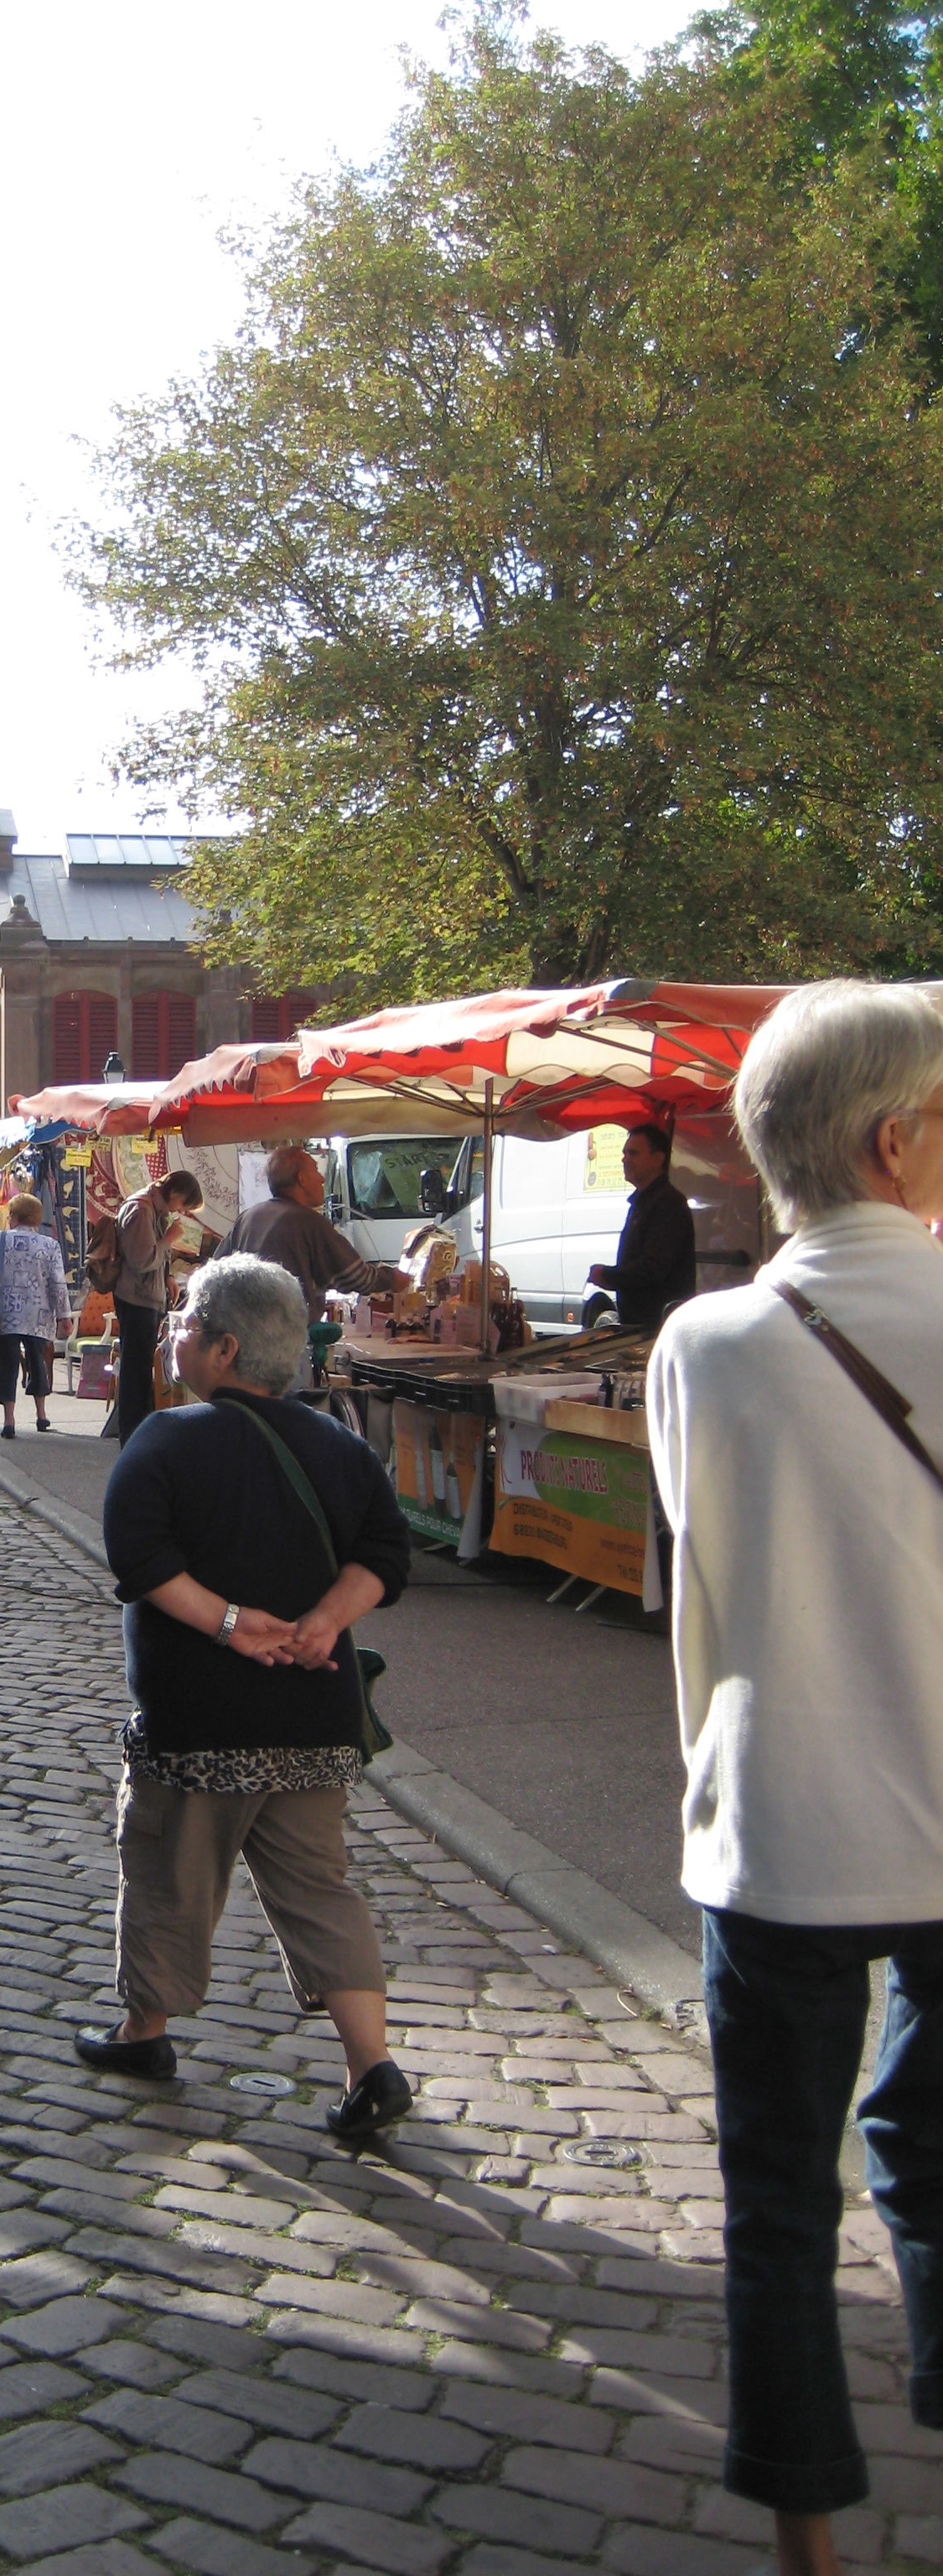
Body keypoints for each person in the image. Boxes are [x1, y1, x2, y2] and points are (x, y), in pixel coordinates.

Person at [645, 982, 943, 2576]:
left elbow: (697, 1589)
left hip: (777, 1820)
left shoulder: (707, 1340)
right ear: (894, 1139)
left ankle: (806, 2550)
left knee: (773, 2203)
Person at [80, 1253, 414, 2142]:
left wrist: (230, 1624)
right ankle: (370, 2064)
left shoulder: (167, 1438)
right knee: (319, 1888)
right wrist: (321, 1623)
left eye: (186, 1318)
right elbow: (387, 1555)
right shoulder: (339, 1447)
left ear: (224, 1350)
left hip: (201, 1721)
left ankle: (144, 2033)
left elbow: (139, 1559)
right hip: (314, 1714)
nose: (175, 1331)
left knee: (167, 1876)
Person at [216, 1144, 402, 1327]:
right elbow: (357, 1277)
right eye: (315, 1170)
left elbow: (217, 1266)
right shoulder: (307, 1221)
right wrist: (395, 1278)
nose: (322, 1178)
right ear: (302, 1178)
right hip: (283, 1335)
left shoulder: (248, 1216)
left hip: (245, 1330)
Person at [113, 1168, 205, 1445]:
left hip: (146, 1296)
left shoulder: (153, 1210)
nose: (182, 1211)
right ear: (175, 1194)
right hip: (136, 1297)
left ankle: (138, 1431)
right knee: (136, 1369)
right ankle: (132, 1434)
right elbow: (141, 1260)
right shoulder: (141, 1210)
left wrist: (167, 1277)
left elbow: (151, 1258)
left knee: (142, 1367)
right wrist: (168, 1241)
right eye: (184, 1205)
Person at [0, 1192, 69, 1436]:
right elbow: (58, 1283)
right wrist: (64, 1316)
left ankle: (9, 1420)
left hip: (5, 1314)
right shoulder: (50, 1245)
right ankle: (41, 1415)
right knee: (38, 1363)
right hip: (39, 1315)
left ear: (14, 1216)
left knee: (5, 1365)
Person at [590, 1122, 697, 1331]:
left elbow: (653, 1268)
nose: (625, 1159)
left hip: (658, 1327)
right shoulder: (643, 1201)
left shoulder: (667, 1204)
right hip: (640, 1325)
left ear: (658, 1159)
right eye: (624, 1153)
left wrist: (608, 1276)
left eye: (634, 1154)